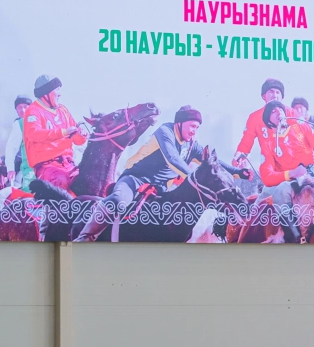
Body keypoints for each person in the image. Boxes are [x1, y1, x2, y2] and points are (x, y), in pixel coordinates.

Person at [74, 106, 211, 241]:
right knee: (119, 201)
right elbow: (172, 159)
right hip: (135, 181)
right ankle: (85, 237)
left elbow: (213, 164)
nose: (194, 131)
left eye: (197, 128)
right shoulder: (165, 131)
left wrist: (232, 173)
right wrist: (196, 181)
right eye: (192, 126)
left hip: (160, 190)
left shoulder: (192, 145)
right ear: (180, 123)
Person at [255, 100, 314, 242]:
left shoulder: (300, 127)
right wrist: (290, 173)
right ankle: (295, 237)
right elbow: (266, 176)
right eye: (273, 112)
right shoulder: (267, 145)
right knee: (281, 192)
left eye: (280, 109)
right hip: (293, 180)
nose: (278, 112)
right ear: (269, 121)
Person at [23, 74, 87, 192]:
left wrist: (81, 135)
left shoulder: (63, 110)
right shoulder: (33, 111)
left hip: (69, 165)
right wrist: (63, 132)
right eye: (57, 89)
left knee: (87, 181)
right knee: (60, 181)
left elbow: (76, 140)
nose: (60, 93)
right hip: (47, 167)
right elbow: (34, 134)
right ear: (46, 93)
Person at [3, 95, 33, 189]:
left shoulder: (39, 121)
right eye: (19, 107)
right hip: (21, 165)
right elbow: (11, 148)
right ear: (16, 110)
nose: (22, 110)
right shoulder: (18, 124)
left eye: (25, 107)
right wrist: (11, 169)